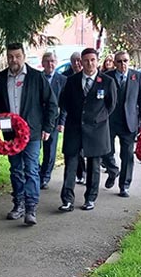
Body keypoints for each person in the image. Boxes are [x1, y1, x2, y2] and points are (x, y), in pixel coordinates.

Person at [0, 42, 57, 225]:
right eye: (10, 57)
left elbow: (51, 103)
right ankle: (18, 204)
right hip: (10, 131)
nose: (14, 60)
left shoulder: (36, 77)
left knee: (31, 168)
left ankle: (31, 207)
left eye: (17, 56)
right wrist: (2, 117)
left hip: (32, 132)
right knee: (16, 169)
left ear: (23, 56)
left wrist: (47, 128)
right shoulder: (0, 79)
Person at [58, 48, 117, 211]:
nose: (89, 63)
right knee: (71, 163)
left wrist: (97, 117)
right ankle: (67, 199)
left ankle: (90, 198)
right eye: (86, 60)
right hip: (74, 128)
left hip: (96, 129)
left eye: (92, 60)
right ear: (80, 62)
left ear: (97, 61)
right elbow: (63, 102)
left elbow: (111, 105)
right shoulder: (72, 81)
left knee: (94, 165)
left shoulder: (107, 82)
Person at [102, 51, 141, 198]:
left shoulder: (137, 76)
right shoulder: (106, 76)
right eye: (119, 61)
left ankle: (124, 185)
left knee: (127, 155)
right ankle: (113, 171)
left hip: (129, 122)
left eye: (125, 61)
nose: (123, 64)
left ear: (129, 61)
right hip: (110, 121)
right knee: (105, 151)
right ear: (115, 63)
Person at [39, 52, 67, 190]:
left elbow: (65, 104)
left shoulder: (62, 80)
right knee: (35, 149)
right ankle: (37, 173)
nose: (50, 64)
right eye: (47, 61)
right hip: (38, 120)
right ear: (42, 63)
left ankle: (45, 177)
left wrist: (62, 122)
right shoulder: (37, 78)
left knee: (50, 150)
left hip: (54, 121)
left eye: (53, 61)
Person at [62, 51, 87, 184]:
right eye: (74, 61)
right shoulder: (66, 78)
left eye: (79, 60)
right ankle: (80, 173)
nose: (77, 64)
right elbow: (64, 101)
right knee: (74, 152)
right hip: (73, 121)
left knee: (85, 151)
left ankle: (84, 173)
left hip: (90, 122)